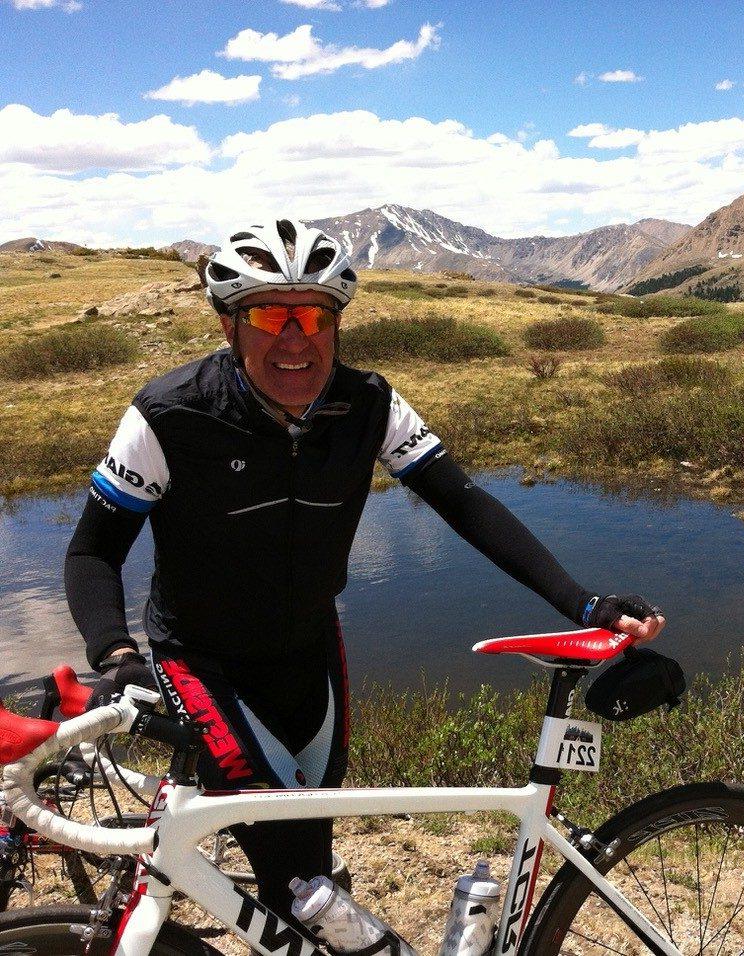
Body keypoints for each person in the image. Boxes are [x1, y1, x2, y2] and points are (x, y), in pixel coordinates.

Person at [63, 218, 664, 915]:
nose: (296, 336)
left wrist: (583, 603)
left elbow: (463, 503)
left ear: (336, 322)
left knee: (308, 862)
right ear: (229, 326)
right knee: (285, 857)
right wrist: (113, 652)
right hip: (200, 659)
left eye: (314, 314)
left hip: (309, 656)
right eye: (268, 313)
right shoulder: (168, 416)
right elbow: (91, 552)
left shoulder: (370, 403)